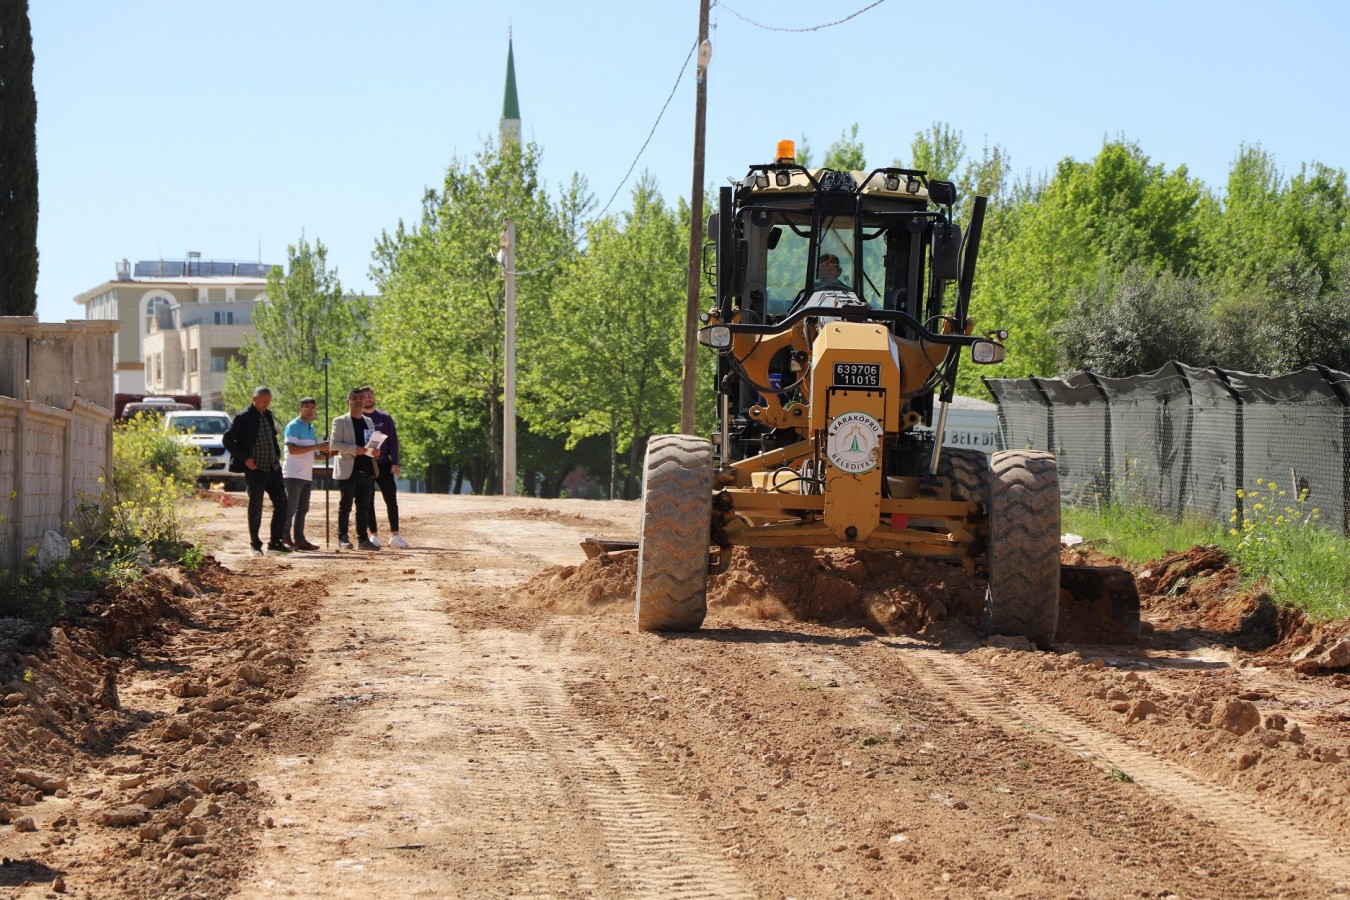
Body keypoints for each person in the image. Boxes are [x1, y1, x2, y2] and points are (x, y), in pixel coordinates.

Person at [222, 386, 291, 556]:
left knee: (282, 503)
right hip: (255, 469)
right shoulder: (243, 417)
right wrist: (245, 458)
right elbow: (228, 440)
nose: (266, 404)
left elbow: (273, 437)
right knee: (256, 507)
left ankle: (275, 542)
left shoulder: (268, 415)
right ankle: (255, 544)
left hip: (273, 468)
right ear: (254, 399)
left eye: (268, 401)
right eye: (263, 401)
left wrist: (277, 454)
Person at [330, 387, 382, 552]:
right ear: (348, 401)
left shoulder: (368, 422)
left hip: (366, 468)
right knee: (345, 506)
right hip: (347, 469)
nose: (359, 400)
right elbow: (334, 445)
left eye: (361, 398)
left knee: (364, 507)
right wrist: (355, 449)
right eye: (355, 398)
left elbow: (371, 443)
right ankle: (343, 538)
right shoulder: (340, 421)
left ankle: (363, 539)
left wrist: (374, 451)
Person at [360, 385, 409, 549]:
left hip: (384, 464)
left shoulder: (385, 417)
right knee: (368, 501)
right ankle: (373, 535)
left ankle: (395, 535)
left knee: (391, 500)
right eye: (364, 396)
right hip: (365, 464)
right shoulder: (357, 419)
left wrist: (395, 462)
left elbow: (393, 441)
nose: (368, 398)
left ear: (374, 397)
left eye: (370, 395)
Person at [281, 397, 329, 551]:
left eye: (312, 408)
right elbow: (293, 450)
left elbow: (307, 451)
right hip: (293, 473)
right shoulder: (293, 426)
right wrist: (316, 447)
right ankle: (284, 537)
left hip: (306, 474)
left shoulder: (311, 427)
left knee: (303, 509)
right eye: (306, 407)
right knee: (290, 508)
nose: (310, 411)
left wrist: (323, 456)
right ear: (300, 408)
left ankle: (300, 539)